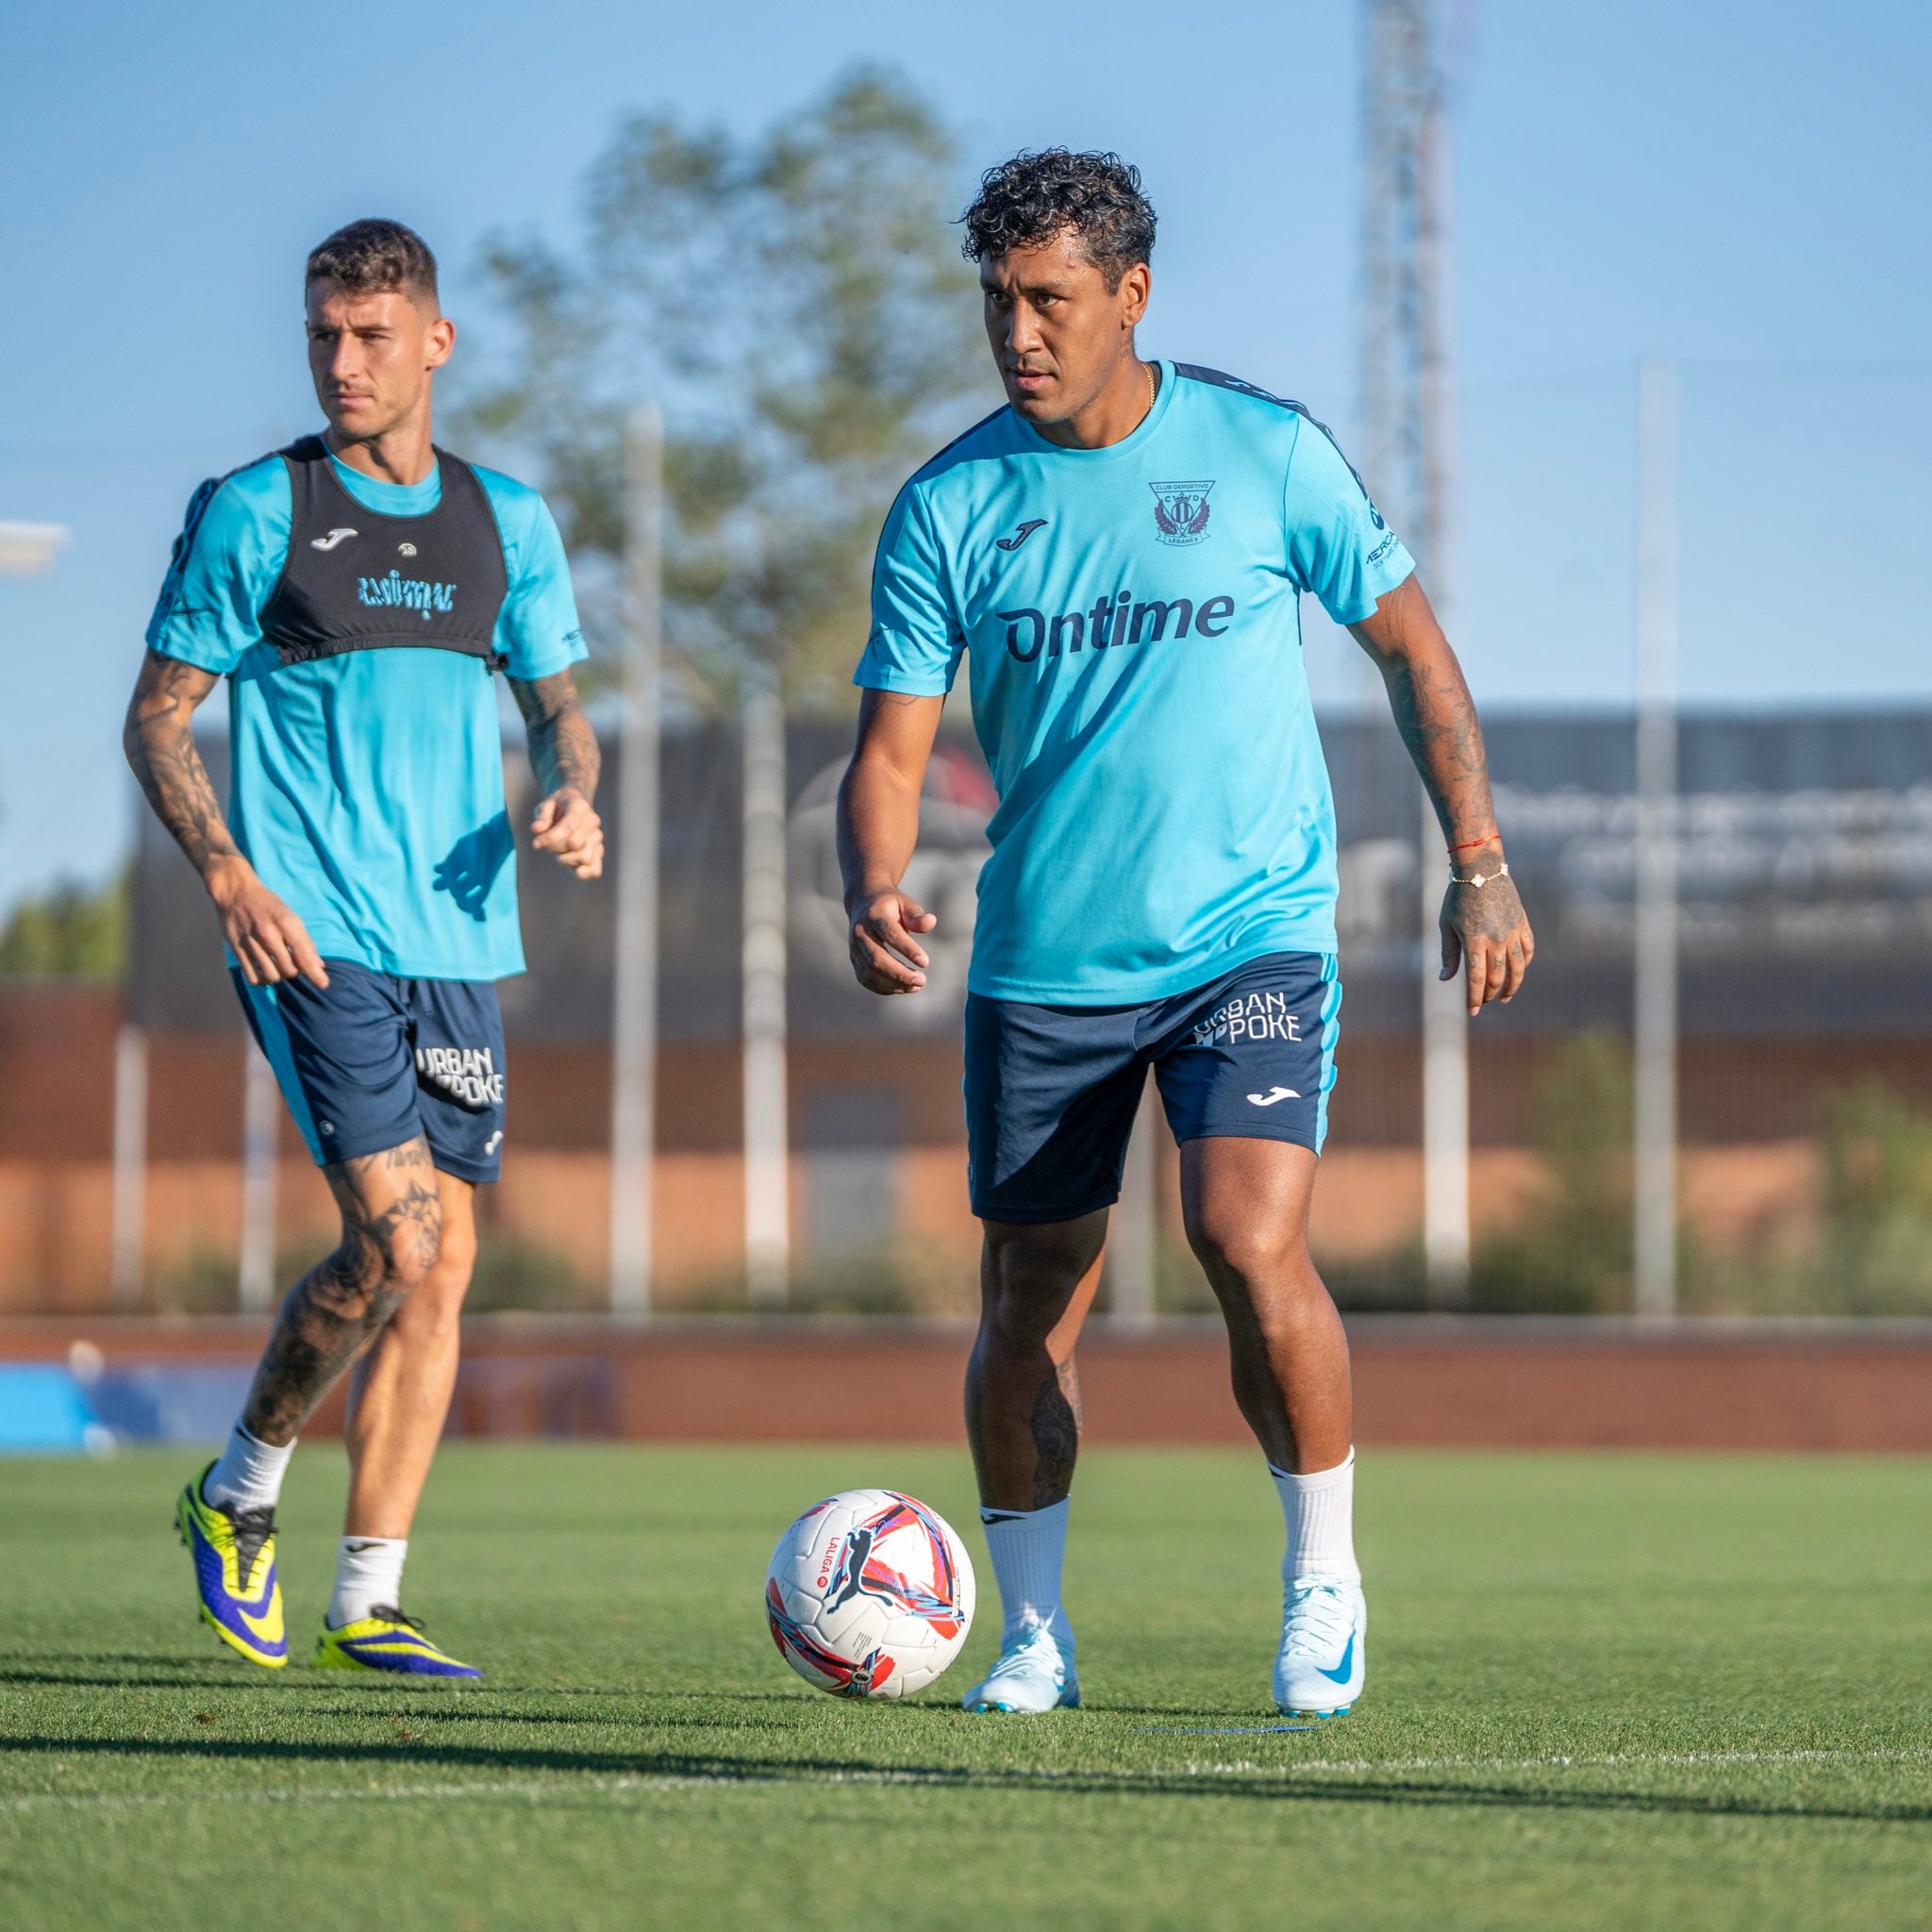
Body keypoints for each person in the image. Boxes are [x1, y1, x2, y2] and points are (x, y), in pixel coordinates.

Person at [837, 151, 1533, 1717]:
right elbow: (889, 755)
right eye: (998, 302)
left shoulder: (1266, 452)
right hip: (1042, 964)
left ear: (1132, 295)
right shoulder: (951, 504)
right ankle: (1029, 1634)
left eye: (1050, 300)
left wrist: (1478, 856)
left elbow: (1417, 655)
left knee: (1243, 1235)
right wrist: (871, 884)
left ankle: (1323, 1587)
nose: (1017, 332)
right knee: (1033, 1303)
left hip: (1251, 942)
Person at [125, 218, 602, 1678]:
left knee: (443, 1270)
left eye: (373, 334)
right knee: (392, 1240)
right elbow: (156, 716)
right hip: (311, 937)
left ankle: (369, 1597)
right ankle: (238, 1495)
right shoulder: (259, 511)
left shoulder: (507, 521)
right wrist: (225, 874)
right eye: (324, 333)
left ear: (435, 342)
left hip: (457, 941)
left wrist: (576, 787)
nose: (344, 359)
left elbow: (557, 706)